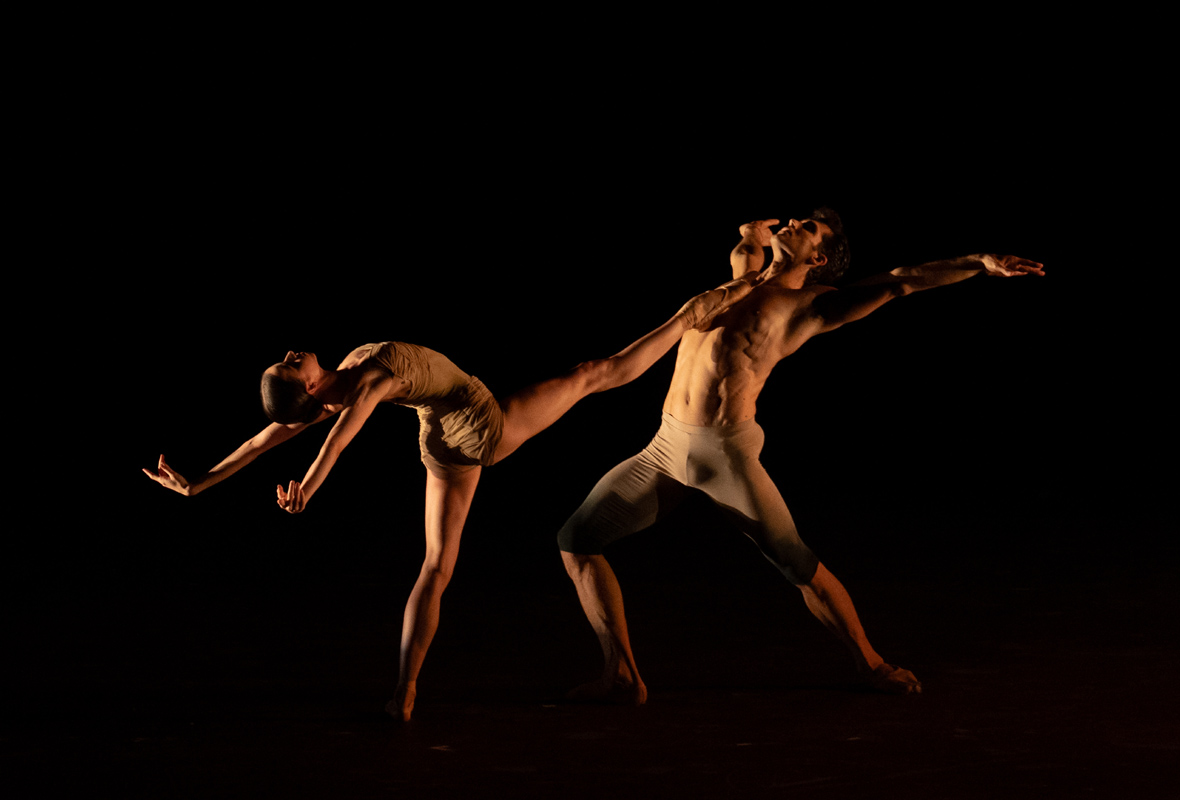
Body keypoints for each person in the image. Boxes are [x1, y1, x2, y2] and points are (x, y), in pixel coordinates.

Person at [142, 275, 757, 721]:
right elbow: (338, 441)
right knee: (594, 373)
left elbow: (259, 443)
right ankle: (693, 313)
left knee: (436, 566)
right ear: (308, 387)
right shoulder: (361, 384)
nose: (289, 354)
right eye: (288, 366)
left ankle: (405, 692)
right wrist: (308, 486)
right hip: (483, 426)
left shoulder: (339, 380)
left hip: (439, 440)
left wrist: (197, 484)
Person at [556, 210, 1045, 701]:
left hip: (725, 453)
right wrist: (751, 233)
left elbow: (900, 281)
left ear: (818, 259)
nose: (794, 221)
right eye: (797, 218)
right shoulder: (743, 275)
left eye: (808, 228)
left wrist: (977, 262)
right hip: (665, 446)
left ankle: (873, 664)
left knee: (796, 563)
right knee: (576, 540)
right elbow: (746, 248)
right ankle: (623, 676)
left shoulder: (808, 306)